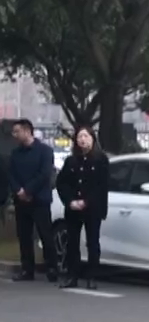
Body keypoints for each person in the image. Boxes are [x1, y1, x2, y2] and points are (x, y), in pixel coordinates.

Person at [54, 126, 110, 289]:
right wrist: (70, 201)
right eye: (80, 137)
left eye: (86, 136)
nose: (82, 140)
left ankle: (92, 276)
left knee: (92, 242)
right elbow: (62, 183)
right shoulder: (71, 161)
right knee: (72, 242)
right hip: (73, 208)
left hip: (92, 208)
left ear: (92, 139)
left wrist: (86, 201)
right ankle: (72, 275)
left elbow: (101, 186)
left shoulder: (101, 160)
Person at [7, 119, 58, 283]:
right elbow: (11, 174)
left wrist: (28, 190)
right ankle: (27, 269)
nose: (14, 135)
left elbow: (44, 174)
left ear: (27, 131)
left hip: (40, 199)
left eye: (17, 131)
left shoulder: (45, 151)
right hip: (21, 201)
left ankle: (52, 267)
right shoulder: (15, 153)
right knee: (24, 236)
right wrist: (18, 191)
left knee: (45, 234)